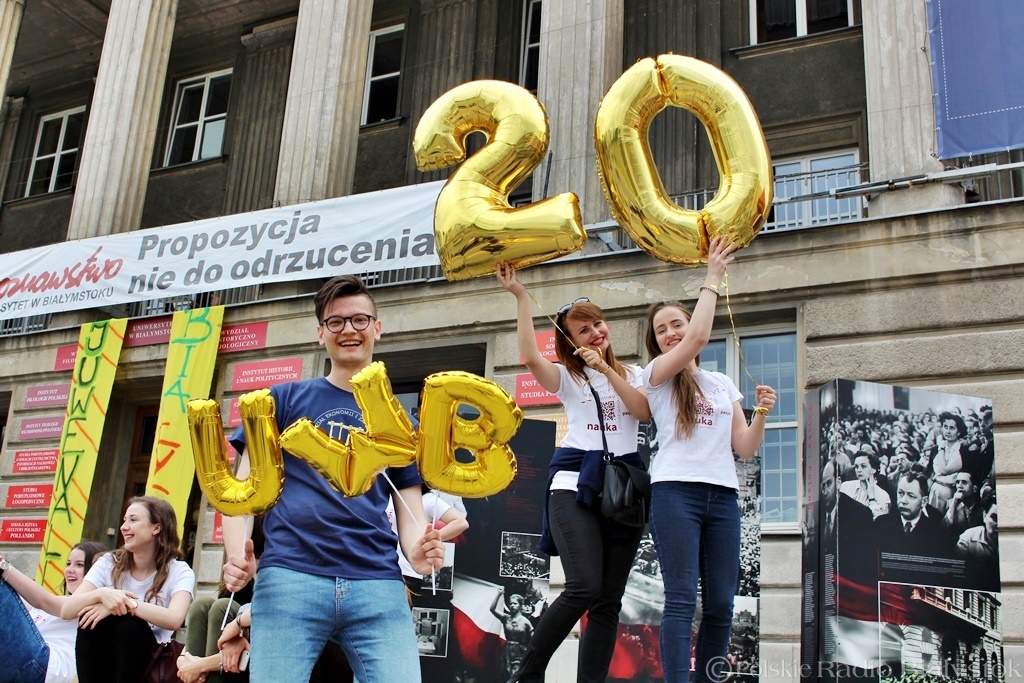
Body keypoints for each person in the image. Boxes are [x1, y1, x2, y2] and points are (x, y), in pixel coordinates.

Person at [221, 274, 444, 683]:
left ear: (377, 327)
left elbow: (409, 511)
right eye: (336, 322)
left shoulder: (400, 420)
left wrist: (418, 552)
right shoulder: (280, 400)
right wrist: (239, 556)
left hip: (377, 582)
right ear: (320, 332)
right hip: (291, 578)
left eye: (359, 320)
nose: (349, 331)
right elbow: (243, 492)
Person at [496, 260, 652, 683]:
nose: (596, 332)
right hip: (574, 485)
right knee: (583, 585)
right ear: (571, 341)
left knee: (607, 601)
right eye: (585, 330)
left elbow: (642, 410)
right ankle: (527, 674)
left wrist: (607, 370)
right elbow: (529, 356)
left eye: (599, 324)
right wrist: (521, 297)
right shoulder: (568, 378)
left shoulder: (634, 374)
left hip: (623, 490)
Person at [641, 237, 777, 683]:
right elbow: (699, 334)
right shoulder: (656, 376)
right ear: (656, 342)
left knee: (721, 602)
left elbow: (745, 446)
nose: (672, 333)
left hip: (722, 498)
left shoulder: (720, 382)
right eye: (662, 330)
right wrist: (713, 276)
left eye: (675, 324)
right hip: (675, 492)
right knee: (681, 598)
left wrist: (761, 414)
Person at [62, 496, 195, 683]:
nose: (124, 527)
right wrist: (103, 594)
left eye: (133, 520)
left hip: (150, 660)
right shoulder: (108, 562)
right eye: (124, 520)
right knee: (91, 619)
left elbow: (174, 619)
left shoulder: (179, 570)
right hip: (103, 655)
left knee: (125, 622)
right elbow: (67, 610)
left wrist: (124, 604)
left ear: (156, 528)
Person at [0, 541, 107, 683]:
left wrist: (3, 566)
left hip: (44, 666)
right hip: (24, 661)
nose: (69, 569)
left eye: (79, 565)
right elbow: (18, 603)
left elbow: (44, 601)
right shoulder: (62, 600)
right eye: (68, 564)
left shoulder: (94, 604)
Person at [838, 451, 890, 519]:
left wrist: (872, 499)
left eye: (863, 466)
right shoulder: (845, 486)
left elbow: (878, 521)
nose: (859, 470)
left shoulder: (883, 496)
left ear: (874, 469)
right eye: (856, 467)